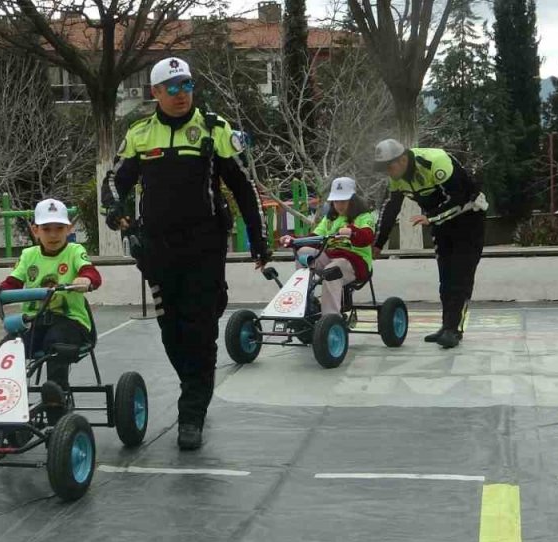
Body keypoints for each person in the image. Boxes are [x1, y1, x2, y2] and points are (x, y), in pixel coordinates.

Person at [103, 56, 270, 451]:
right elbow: (114, 182)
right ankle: (192, 382)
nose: (182, 94)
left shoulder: (214, 130)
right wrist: (115, 210)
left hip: (204, 245)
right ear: (156, 93)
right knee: (172, 332)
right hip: (157, 250)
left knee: (199, 329)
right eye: (173, 88)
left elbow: (245, 189)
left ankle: (191, 412)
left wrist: (259, 241)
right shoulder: (141, 134)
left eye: (188, 85)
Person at [0, 198, 102, 395]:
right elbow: (12, 284)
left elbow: (91, 273)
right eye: (46, 229)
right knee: (7, 347)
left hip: (71, 322)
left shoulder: (75, 251)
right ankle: (5, 397)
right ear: (35, 231)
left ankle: (56, 397)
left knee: (56, 341)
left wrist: (85, 280)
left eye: (59, 228)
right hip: (35, 322)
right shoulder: (28, 255)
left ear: (68, 229)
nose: (53, 234)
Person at [371, 139, 488, 349]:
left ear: (403, 159)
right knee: (446, 277)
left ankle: (454, 329)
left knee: (461, 275)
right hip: (441, 221)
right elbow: (389, 210)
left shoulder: (436, 161)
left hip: (469, 216)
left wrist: (431, 218)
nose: (388, 172)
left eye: (389, 166)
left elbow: (459, 198)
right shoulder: (396, 179)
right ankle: (446, 327)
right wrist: (378, 243)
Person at [277, 177, 376, 317]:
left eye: (343, 201)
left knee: (332, 271)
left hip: (356, 262)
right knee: (304, 253)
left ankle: (331, 318)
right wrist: (294, 240)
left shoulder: (364, 217)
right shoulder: (330, 219)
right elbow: (314, 238)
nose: (339, 205)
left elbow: (368, 237)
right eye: (336, 201)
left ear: (353, 200)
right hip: (331, 257)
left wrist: (352, 232)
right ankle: (304, 304)